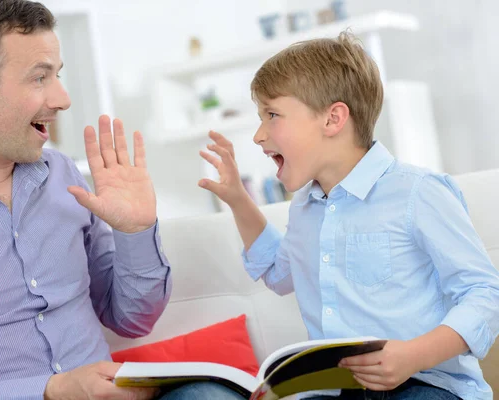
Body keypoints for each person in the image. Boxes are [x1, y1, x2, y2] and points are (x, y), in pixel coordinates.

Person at [0, 1, 245, 399]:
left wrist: (135, 231)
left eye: (57, 75)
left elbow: (131, 318)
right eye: (40, 78)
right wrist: (50, 391)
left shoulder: (61, 175)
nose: (62, 98)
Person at [199, 32, 499, 400]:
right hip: (335, 392)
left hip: (425, 383)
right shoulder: (304, 207)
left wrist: (412, 355)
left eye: (272, 115)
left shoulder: (417, 192)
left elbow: (485, 293)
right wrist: (237, 199)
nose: (258, 135)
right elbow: (280, 274)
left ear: (333, 119)